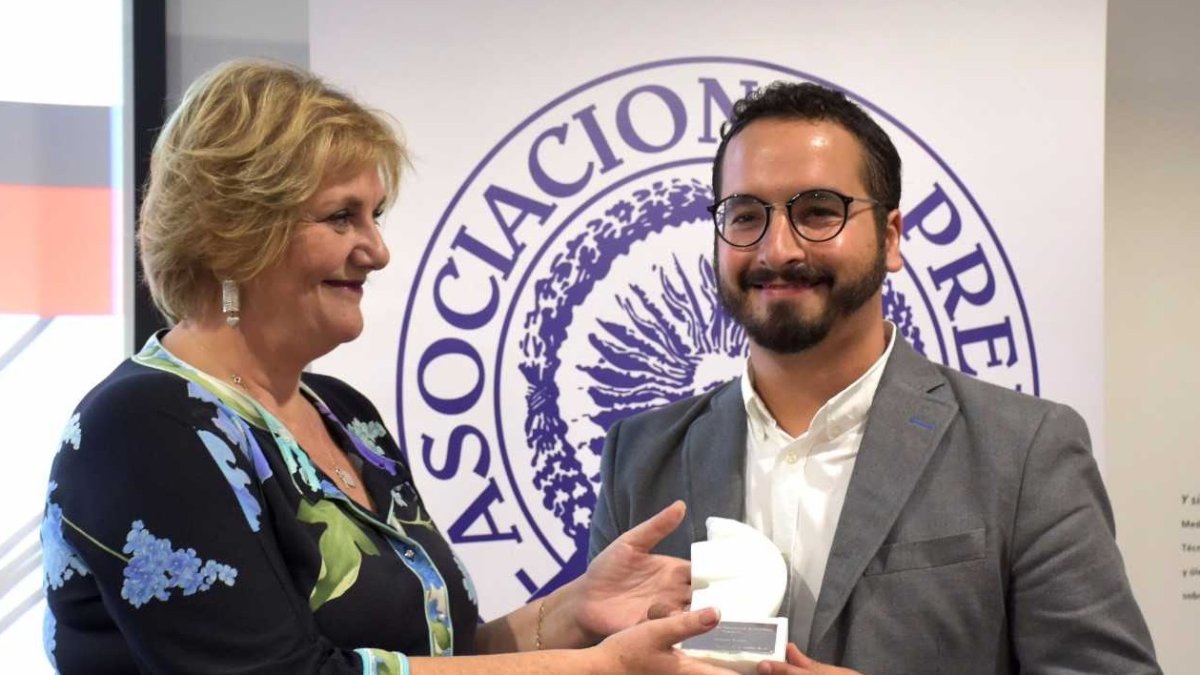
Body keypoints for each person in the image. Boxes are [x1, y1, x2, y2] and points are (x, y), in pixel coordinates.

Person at [39, 59, 756, 675]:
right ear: (233, 232)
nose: (378, 250)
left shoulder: (344, 414)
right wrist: (593, 667)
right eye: (342, 217)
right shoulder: (140, 430)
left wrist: (575, 611)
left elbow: (431, 656)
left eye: (375, 215)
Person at [588, 81, 1162, 674]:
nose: (777, 248)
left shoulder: (1023, 451)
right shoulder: (639, 457)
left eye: (817, 212)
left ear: (890, 239)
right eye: (746, 215)